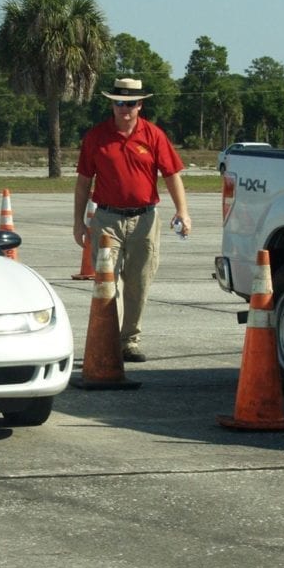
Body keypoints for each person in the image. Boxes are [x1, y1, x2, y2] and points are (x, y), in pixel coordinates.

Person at [73, 77, 191, 362]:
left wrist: (182, 211)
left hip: (144, 220)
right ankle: (107, 338)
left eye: (131, 103)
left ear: (140, 105)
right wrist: (78, 221)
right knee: (106, 281)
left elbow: (172, 175)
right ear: (112, 104)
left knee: (138, 282)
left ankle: (129, 341)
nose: (125, 109)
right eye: (120, 103)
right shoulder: (96, 137)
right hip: (107, 219)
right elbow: (83, 181)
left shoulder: (153, 135)